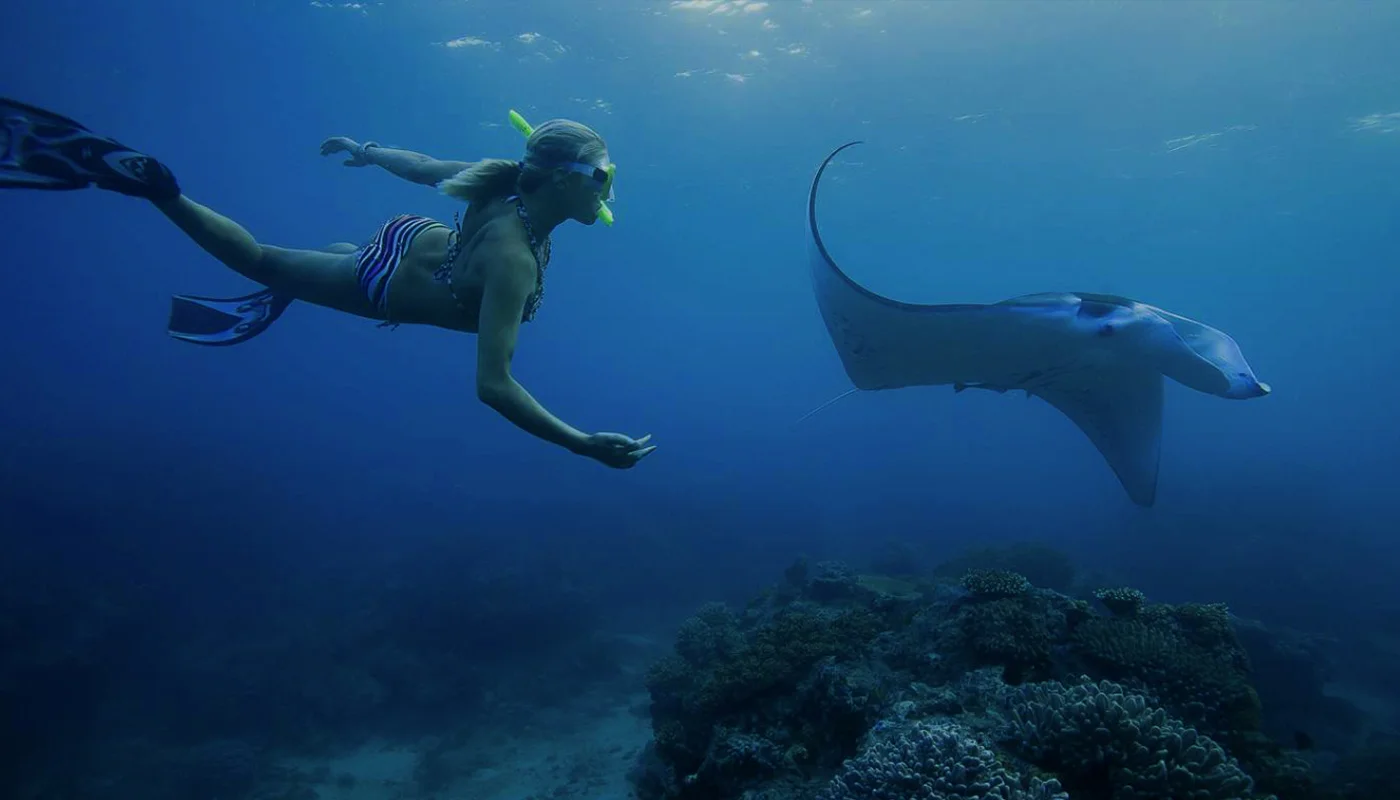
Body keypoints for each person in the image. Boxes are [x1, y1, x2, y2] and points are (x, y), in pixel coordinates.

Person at [0, 96, 655, 469]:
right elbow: (493, 385)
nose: (609, 187)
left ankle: (332, 262)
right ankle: (157, 189)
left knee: (338, 259)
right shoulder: (515, 262)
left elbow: (422, 166)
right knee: (260, 261)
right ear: (566, 179)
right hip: (385, 280)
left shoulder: (505, 183)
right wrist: (581, 443)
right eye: (602, 175)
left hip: (416, 239)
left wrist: (364, 149)